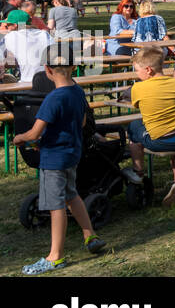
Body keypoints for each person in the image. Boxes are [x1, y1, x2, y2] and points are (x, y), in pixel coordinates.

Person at [14, 44, 108, 273]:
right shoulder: (77, 91)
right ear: (74, 67)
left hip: (54, 159)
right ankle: (90, 236)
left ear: (46, 69)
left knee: (56, 206)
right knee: (71, 194)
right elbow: (83, 123)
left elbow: (34, 133)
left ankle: (55, 256)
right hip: (71, 153)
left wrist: (20, 138)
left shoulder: (53, 99)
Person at [123, 46, 175, 207]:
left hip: (161, 141)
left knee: (134, 127)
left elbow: (137, 105)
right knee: (174, 130)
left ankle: (138, 172)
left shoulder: (138, 88)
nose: (136, 74)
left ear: (148, 70)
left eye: (137, 71)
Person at [3, 9, 54, 83]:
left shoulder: (11, 36)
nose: (7, 28)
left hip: (27, 84)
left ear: (15, 25)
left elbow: (5, 60)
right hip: (51, 81)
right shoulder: (45, 34)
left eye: (7, 26)